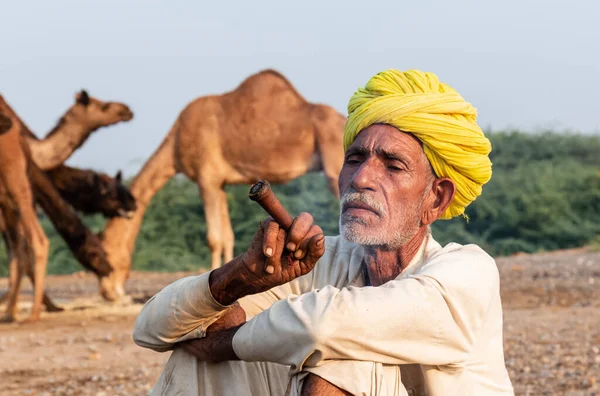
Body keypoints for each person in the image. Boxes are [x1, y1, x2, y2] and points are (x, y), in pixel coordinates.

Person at [133, 69, 515, 395]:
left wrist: (224, 343)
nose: (361, 178)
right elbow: (151, 330)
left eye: (393, 166)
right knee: (193, 345)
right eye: (354, 159)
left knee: (344, 358)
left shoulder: (468, 272)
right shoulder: (321, 262)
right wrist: (236, 280)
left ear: (436, 198)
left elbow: (323, 325)